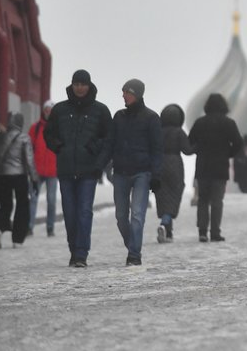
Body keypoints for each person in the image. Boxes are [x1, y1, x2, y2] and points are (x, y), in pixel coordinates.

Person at [44, 69, 112, 267]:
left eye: (83, 84)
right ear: (72, 85)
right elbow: (49, 134)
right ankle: (74, 248)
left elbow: (108, 139)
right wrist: (59, 147)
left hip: (88, 170)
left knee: (84, 211)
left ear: (89, 85)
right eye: (77, 84)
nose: (80, 88)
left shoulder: (100, 111)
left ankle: (81, 254)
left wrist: (96, 155)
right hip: (66, 169)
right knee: (70, 212)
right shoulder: (60, 110)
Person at [102, 79, 163, 266]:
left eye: (126, 92)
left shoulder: (151, 118)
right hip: (120, 172)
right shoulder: (118, 117)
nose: (123, 95)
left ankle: (134, 255)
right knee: (121, 217)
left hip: (142, 173)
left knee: (137, 215)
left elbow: (157, 149)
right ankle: (132, 245)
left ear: (135, 93)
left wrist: (156, 175)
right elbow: (109, 143)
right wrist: (102, 165)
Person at [188, 94, 243, 243]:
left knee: (203, 200)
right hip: (220, 167)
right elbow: (238, 143)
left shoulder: (200, 123)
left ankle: (202, 232)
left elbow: (190, 142)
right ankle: (215, 232)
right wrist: (228, 154)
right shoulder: (229, 123)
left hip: (203, 167)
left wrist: (199, 149)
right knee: (217, 201)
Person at [0, 113, 39, 249]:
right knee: (22, 205)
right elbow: (30, 161)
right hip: (19, 175)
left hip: (3, 175)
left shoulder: (2, 136)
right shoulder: (24, 138)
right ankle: (17, 239)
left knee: (5, 204)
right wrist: (34, 178)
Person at [155, 104, 192, 243]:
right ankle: (165, 223)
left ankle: (168, 232)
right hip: (175, 164)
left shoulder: (158, 131)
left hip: (159, 165)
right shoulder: (179, 132)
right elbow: (188, 150)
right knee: (174, 194)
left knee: (162, 196)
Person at [28, 99, 57, 237]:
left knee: (51, 200)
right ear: (43, 111)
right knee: (32, 199)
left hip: (53, 170)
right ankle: (29, 227)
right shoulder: (35, 128)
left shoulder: (59, 128)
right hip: (37, 170)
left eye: (50, 110)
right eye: (46, 110)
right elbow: (28, 148)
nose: (48, 113)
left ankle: (50, 227)